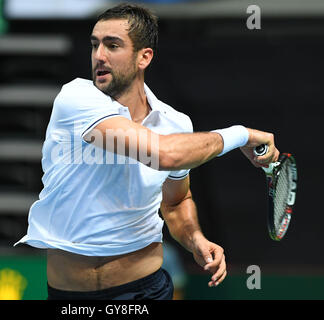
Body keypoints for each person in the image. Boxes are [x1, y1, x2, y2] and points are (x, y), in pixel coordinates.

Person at [15, 3, 279, 300]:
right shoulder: (76, 97)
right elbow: (164, 154)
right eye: (95, 45)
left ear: (144, 56)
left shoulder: (176, 123)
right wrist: (241, 135)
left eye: (112, 45)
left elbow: (177, 202)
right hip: (69, 295)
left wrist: (195, 239)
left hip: (144, 291)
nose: (99, 56)